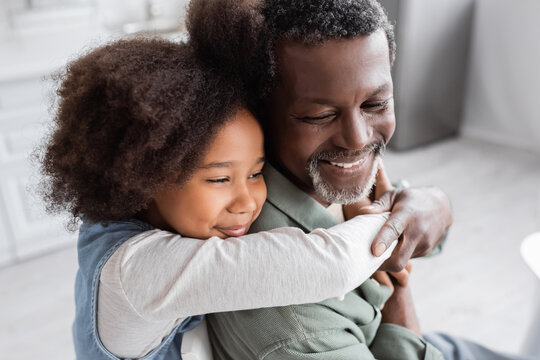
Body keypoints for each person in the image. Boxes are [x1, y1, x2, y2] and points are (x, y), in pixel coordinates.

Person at [38, 37, 424, 360]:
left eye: (256, 172)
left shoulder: (168, 213)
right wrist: (402, 213)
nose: (247, 202)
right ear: (144, 177)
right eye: (220, 178)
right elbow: (329, 265)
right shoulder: (136, 273)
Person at [190, 0, 535, 359]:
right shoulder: (295, 327)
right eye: (320, 115)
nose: (357, 139)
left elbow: (422, 227)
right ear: (258, 114)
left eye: (376, 104)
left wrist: (434, 203)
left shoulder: (319, 173)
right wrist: (399, 298)